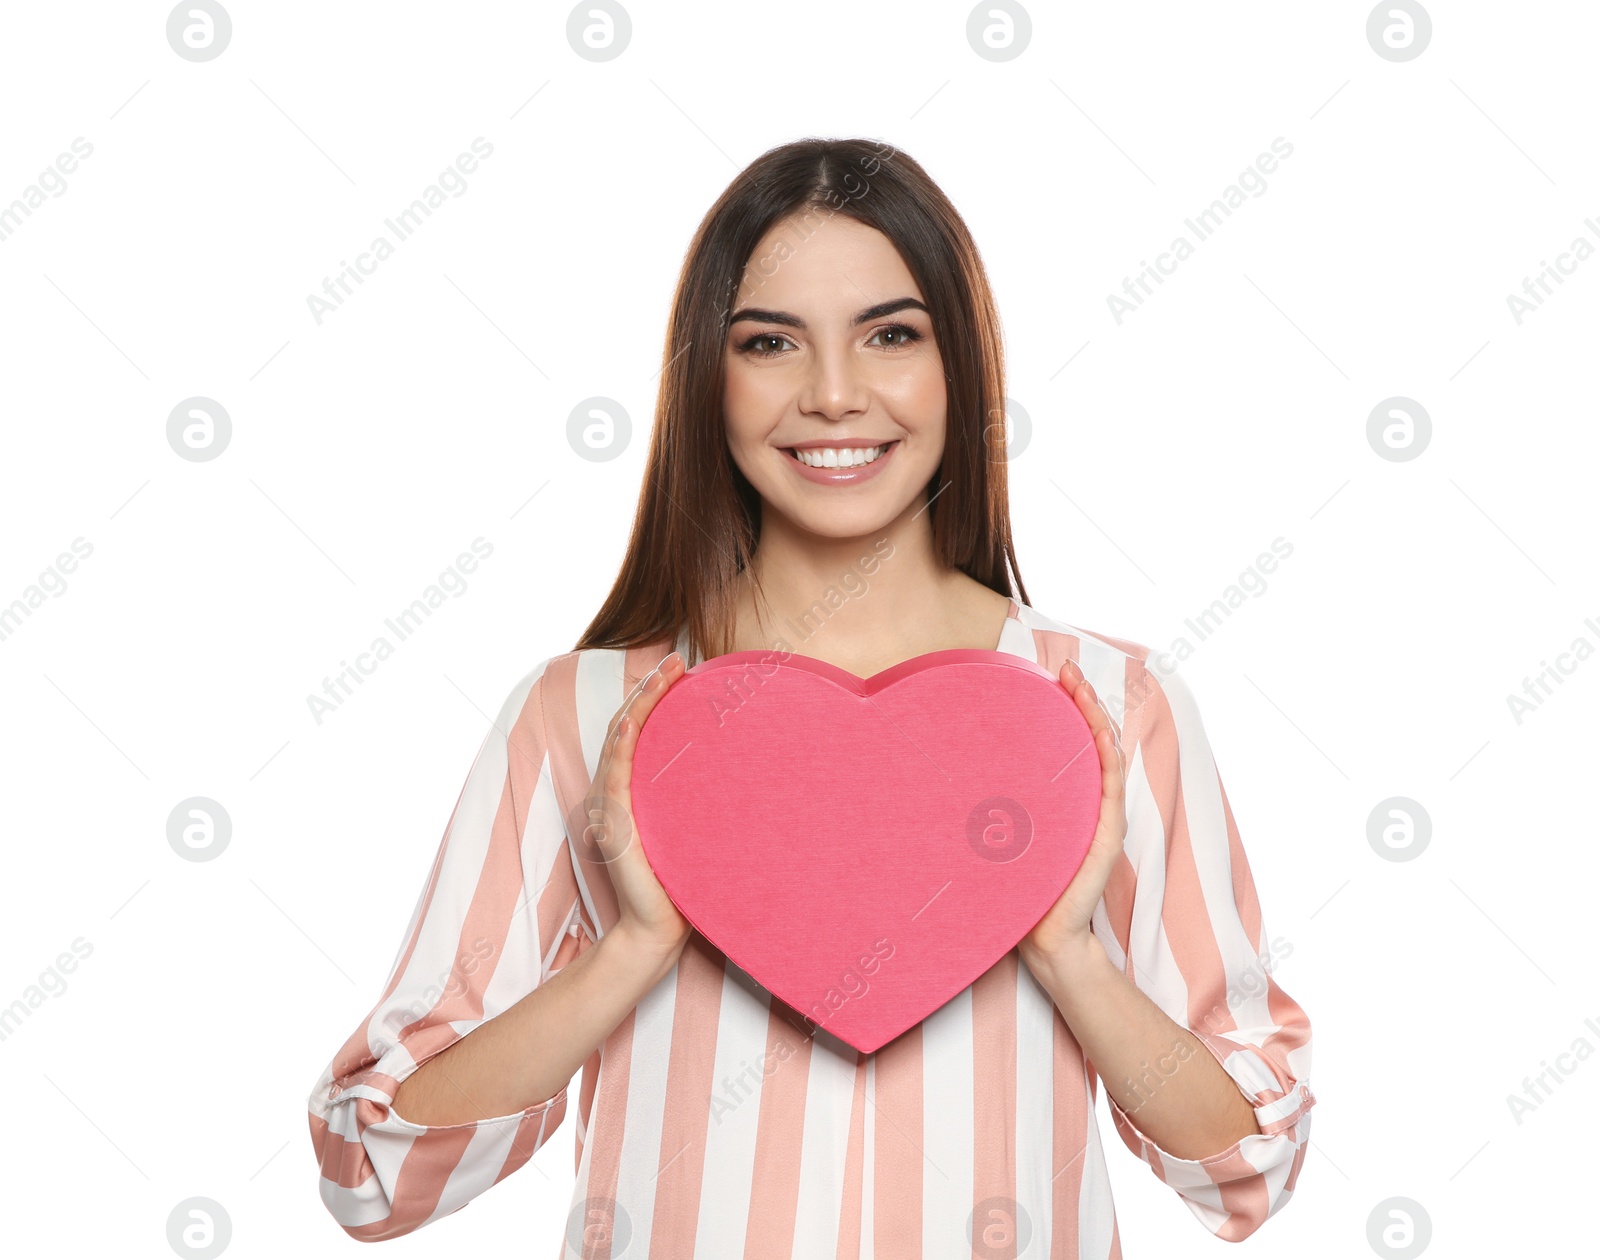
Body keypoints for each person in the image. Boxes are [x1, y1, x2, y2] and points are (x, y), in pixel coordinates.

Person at [305, 136, 1317, 1257]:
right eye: (770, 343)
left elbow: (1251, 1166)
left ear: (959, 368)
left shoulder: (1107, 706)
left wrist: (1067, 951)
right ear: (708, 377)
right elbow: (371, 1168)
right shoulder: (583, 715)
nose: (834, 396)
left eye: (891, 335)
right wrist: (636, 946)